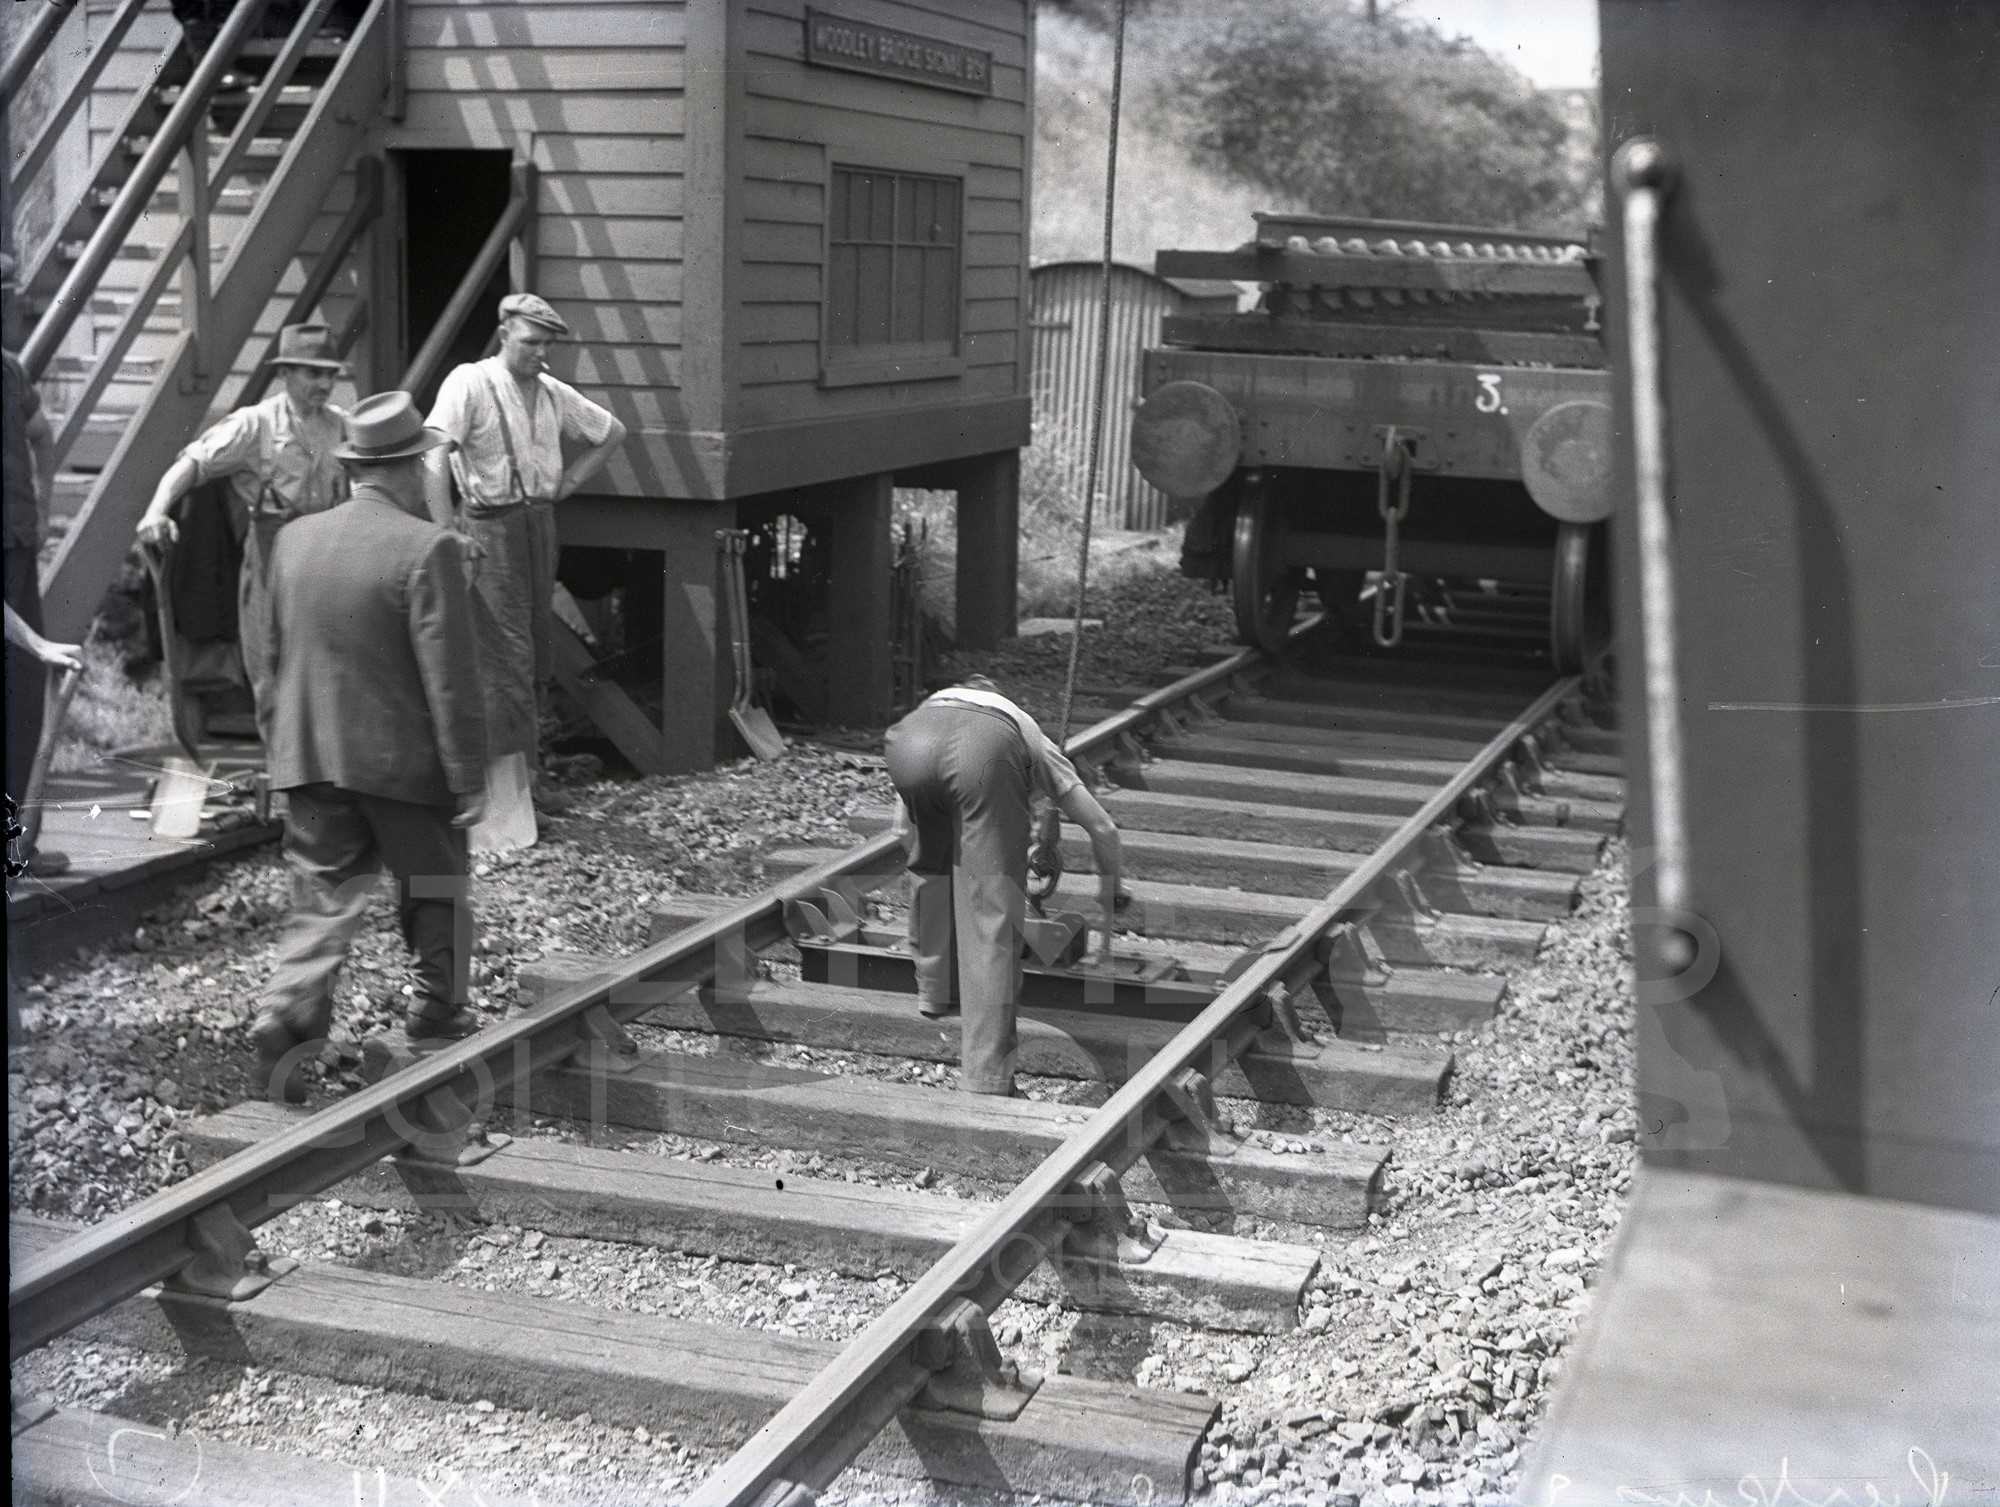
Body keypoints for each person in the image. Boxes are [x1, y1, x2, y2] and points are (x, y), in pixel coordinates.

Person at [247, 391, 488, 1104]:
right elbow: (450, 679)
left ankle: (287, 1015)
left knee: (323, 894)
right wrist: (467, 776)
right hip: (402, 766)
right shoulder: (428, 546)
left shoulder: (293, 540)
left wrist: (278, 750)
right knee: (437, 883)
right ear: (413, 467)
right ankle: (437, 1011)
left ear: (355, 467)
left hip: (309, 755)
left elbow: (267, 656)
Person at [424, 293, 626, 819]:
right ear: (505, 333)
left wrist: (571, 482)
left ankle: (528, 779)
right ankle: (500, 790)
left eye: (547, 345)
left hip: (539, 523)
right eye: (531, 342)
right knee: (503, 654)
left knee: (534, 649)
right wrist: (447, 532)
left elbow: (612, 432)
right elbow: (431, 454)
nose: (541, 353)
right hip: (488, 528)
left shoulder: (553, 392)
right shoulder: (470, 382)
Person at [883, 674, 1124, 1097]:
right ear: (998, 698)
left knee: (931, 860)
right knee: (993, 916)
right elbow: (1103, 828)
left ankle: (936, 991)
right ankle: (987, 1078)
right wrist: (1111, 891)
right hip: (984, 755)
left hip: (908, 742)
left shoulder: (937, 706)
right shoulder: (1022, 728)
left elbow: (902, 831)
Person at [135, 322, 349, 710]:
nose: (325, 383)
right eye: (313, 373)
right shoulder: (255, 424)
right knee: (271, 670)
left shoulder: (340, 426)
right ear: (284, 373)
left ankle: (319, 765)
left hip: (328, 561)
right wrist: (155, 511)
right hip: (271, 562)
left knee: (327, 673)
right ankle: (283, 765)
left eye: (331, 374)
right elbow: (191, 464)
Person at [3, 261, 69, 878]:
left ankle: (15, 844)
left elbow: (42, 437)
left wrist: (45, 509)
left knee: (23, 692)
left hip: (16, 549)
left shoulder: (10, 370)